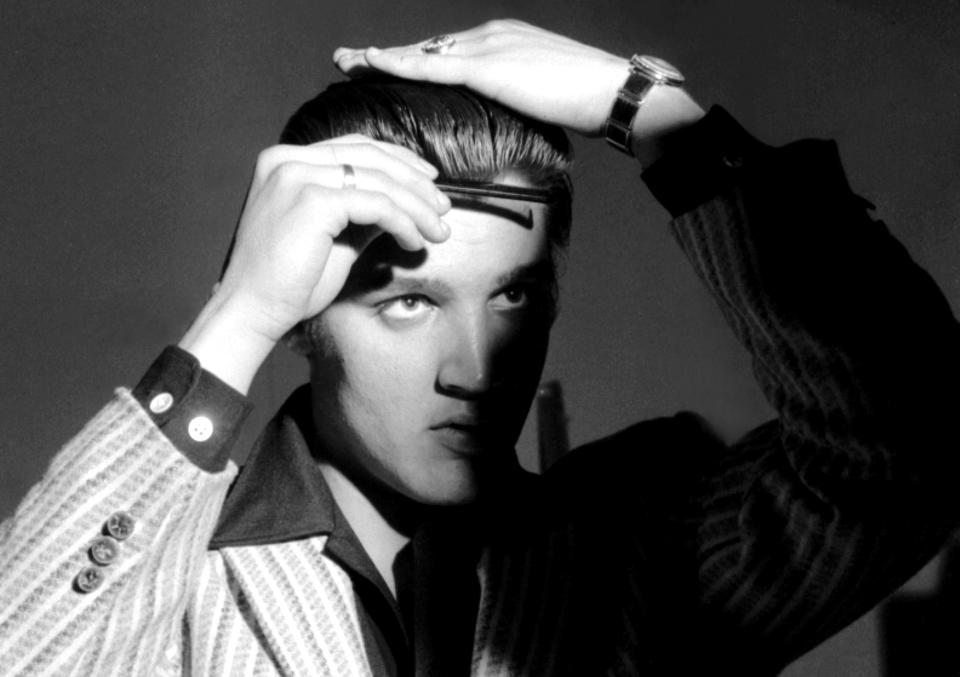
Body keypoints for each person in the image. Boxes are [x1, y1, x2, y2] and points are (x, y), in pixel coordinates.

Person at [2, 19, 959, 676]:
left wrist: (654, 114)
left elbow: (912, 453)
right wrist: (236, 316)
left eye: (515, 296)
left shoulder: (636, 559)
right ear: (306, 316)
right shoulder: (163, 569)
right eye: (409, 301)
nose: (475, 367)